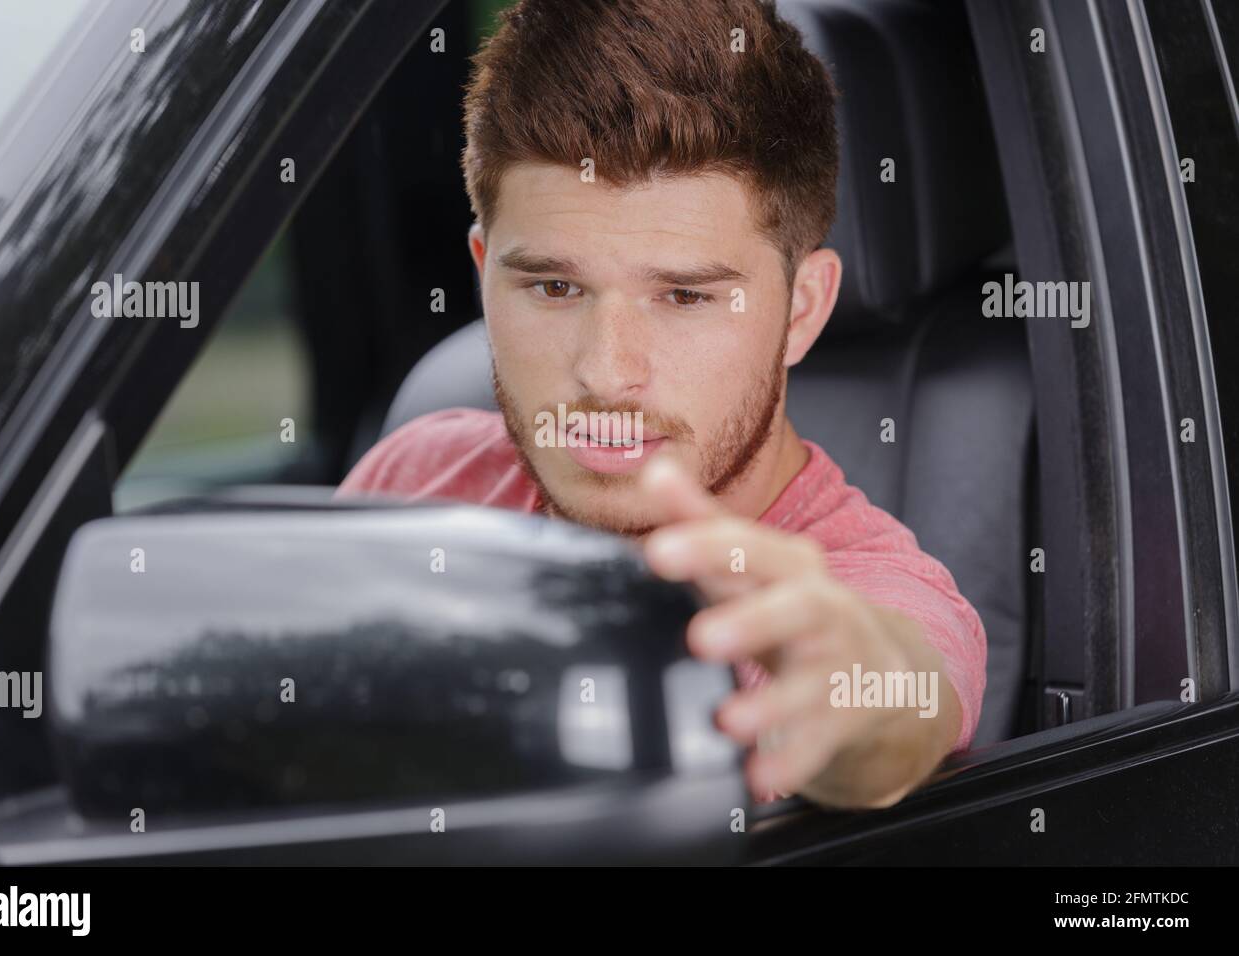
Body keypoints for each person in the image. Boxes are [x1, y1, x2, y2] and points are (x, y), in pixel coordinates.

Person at [338, 0, 986, 809]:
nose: (608, 375)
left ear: (802, 310)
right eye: (553, 286)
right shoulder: (418, 477)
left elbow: (899, 695)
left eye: (685, 296)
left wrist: (847, 688)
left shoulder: (860, 595)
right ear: (481, 270)